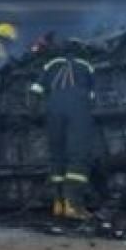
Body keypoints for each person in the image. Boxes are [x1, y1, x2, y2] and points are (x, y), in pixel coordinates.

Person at [29, 42, 97, 220]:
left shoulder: (51, 64)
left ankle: (58, 204)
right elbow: (93, 96)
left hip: (53, 108)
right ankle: (73, 205)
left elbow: (36, 89)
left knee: (57, 155)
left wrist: (34, 112)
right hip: (77, 107)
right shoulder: (86, 65)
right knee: (78, 155)